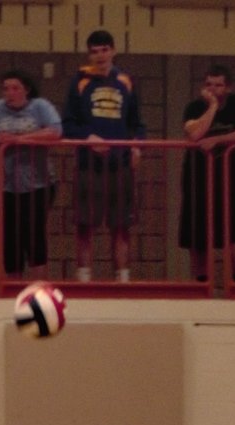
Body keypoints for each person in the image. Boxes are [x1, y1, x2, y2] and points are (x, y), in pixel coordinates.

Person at [63, 30, 142, 282]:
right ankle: (84, 277)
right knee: (85, 225)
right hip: (89, 165)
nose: (100, 55)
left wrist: (137, 146)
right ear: (89, 54)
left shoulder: (126, 81)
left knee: (121, 225)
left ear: (113, 51)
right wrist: (88, 138)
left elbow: (137, 124)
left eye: (104, 50)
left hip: (119, 164)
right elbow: (67, 123)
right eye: (95, 51)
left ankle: (123, 278)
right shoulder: (80, 81)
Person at [0, 70, 61, 281]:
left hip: (38, 182)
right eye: (5, 88)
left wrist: (20, 139)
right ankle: (13, 287)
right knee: (9, 238)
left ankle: (39, 287)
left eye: (15, 88)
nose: (9, 93)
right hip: (3, 184)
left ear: (26, 90)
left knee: (34, 234)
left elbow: (55, 131)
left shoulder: (40, 107)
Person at [178, 65, 235, 285]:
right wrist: (212, 106)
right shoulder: (194, 107)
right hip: (197, 178)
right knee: (197, 228)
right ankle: (202, 281)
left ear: (228, 87)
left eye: (218, 85)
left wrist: (218, 140)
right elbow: (195, 134)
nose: (213, 89)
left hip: (229, 177)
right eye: (209, 84)